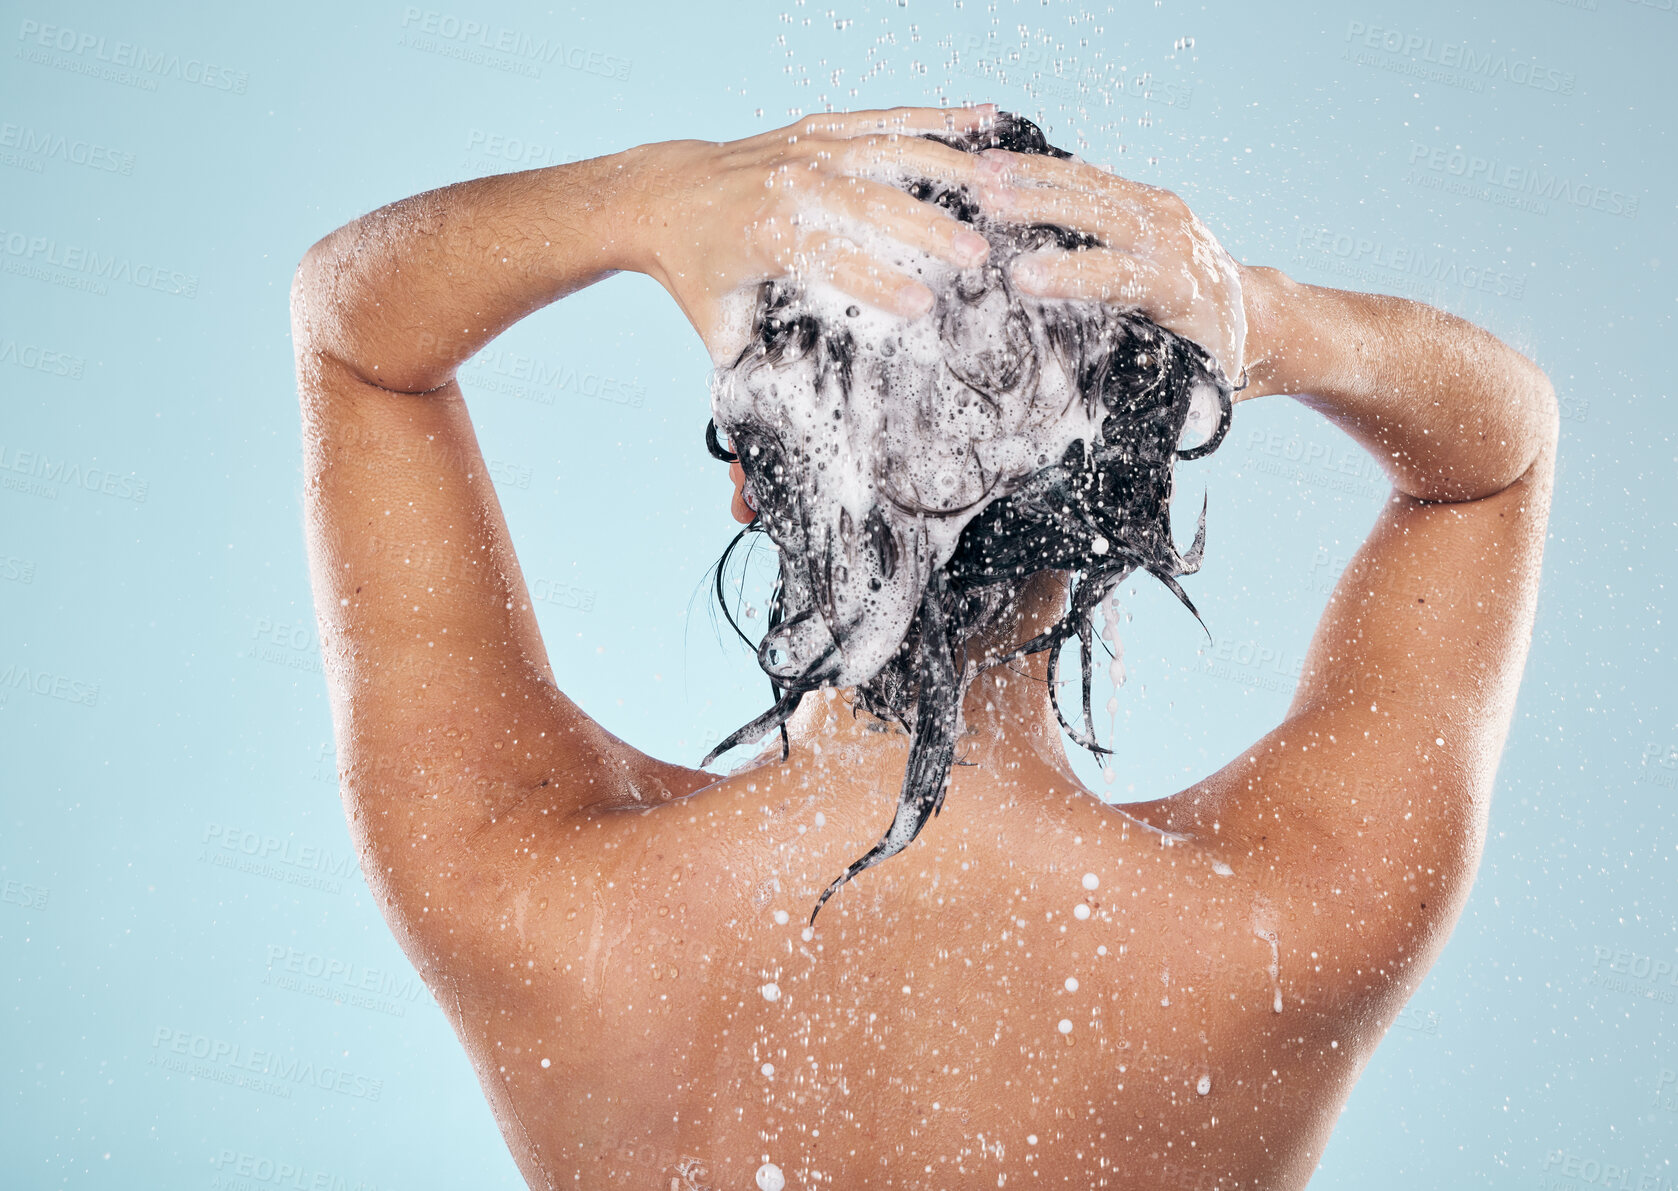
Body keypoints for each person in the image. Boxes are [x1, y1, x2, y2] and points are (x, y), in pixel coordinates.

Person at [289, 104, 1557, 1190]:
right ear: (1118, 495)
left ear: (755, 485)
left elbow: (358, 341)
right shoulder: (1292, 927)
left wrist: (644, 197)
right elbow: (1495, 460)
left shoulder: (522, 888)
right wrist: (1263, 319)